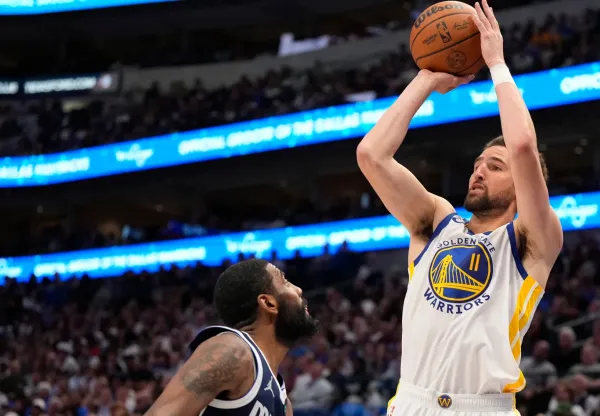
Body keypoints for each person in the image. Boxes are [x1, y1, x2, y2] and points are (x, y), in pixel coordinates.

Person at [356, 1, 562, 414]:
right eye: (477, 165)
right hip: (410, 402)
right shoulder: (434, 223)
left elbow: (522, 146)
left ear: (521, 187)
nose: (479, 172)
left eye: (495, 166)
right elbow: (371, 155)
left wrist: (496, 63)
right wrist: (426, 79)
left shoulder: (532, 240)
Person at [145, 259, 319, 416]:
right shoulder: (233, 350)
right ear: (268, 303)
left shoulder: (284, 404)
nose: (299, 289)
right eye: (286, 282)